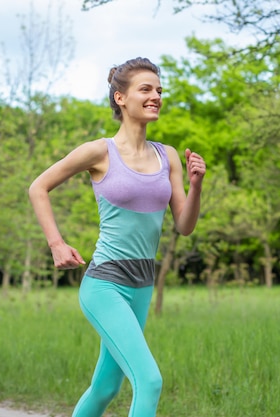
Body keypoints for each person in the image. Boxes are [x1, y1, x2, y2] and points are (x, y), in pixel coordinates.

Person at [28, 57, 206, 417]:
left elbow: (184, 226)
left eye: (159, 89)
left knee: (106, 386)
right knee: (149, 380)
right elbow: (38, 187)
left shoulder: (167, 155)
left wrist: (196, 184)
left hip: (142, 284)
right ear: (120, 98)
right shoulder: (99, 151)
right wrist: (56, 243)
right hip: (106, 284)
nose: (156, 95)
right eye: (146, 89)